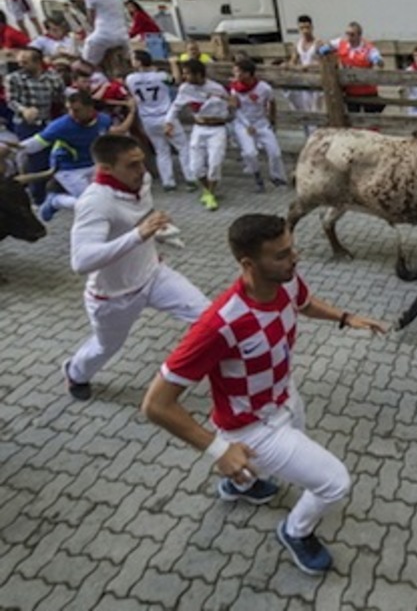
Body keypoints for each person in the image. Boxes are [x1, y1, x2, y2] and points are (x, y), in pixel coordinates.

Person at [141, 212, 387, 575]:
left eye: (292, 249)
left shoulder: (284, 280)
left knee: (288, 451)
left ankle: (241, 484)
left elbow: (304, 302)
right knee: (335, 483)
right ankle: (295, 531)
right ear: (248, 263)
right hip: (250, 428)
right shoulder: (219, 324)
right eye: (282, 255)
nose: (295, 259)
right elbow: (156, 405)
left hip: (285, 397)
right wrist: (218, 449)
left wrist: (345, 317)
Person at [64, 135, 209, 400]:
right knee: (105, 348)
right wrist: (138, 235)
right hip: (114, 296)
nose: (142, 170)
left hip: (154, 275)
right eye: (132, 165)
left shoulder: (142, 181)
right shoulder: (95, 201)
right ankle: (75, 373)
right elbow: (81, 261)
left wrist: (160, 231)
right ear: (106, 169)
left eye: (142, 161)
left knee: (209, 319)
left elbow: (143, 218)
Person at [19, 89, 136, 221]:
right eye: (69, 109)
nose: (72, 114)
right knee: (91, 202)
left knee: (110, 195)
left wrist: (132, 112)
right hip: (68, 168)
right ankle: (55, 201)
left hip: (92, 164)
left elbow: (115, 132)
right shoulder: (60, 125)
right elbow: (35, 144)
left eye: (76, 110)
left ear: (90, 108)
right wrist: (12, 148)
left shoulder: (103, 119)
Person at [125, 49, 195, 192]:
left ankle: (168, 182)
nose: (131, 62)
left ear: (139, 62)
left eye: (133, 59)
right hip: (166, 116)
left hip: (147, 118)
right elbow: (176, 80)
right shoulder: (161, 76)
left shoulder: (130, 79)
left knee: (161, 150)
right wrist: (173, 64)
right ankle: (190, 178)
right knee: (182, 147)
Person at [165, 59, 230, 211]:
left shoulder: (216, 88)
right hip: (199, 129)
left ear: (199, 74)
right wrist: (168, 122)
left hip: (217, 129)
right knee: (195, 167)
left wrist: (220, 117)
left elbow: (228, 109)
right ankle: (208, 190)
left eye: (187, 73)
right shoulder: (185, 89)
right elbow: (175, 107)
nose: (184, 76)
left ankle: (211, 194)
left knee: (215, 163)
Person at [5, 47, 65, 204]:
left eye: (25, 62)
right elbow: (11, 100)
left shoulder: (52, 78)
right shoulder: (14, 78)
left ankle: (52, 191)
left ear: (37, 62)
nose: (21, 65)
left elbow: (60, 98)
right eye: (20, 62)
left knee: (51, 156)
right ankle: (39, 197)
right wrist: (24, 110)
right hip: (26, 124)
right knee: (35, 159)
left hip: (48, 122)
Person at [230, 58, 286, 192]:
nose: (236, 75)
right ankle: (257, 177)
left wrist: (272, 121)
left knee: (275, 152)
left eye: (238, 72)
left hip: (261, 123)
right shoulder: (234, 89)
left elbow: (272, 103)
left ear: (248, 74)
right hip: (243, 124)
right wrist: (246, 125)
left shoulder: (264, 88)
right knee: (250, 153)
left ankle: (276, 176)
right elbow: (235, 109)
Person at [326, 21, 384, 113]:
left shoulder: (368, 48)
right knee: (353, 120)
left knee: (371, 121)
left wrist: (377, 60)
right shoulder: (341, 43)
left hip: (368, 92)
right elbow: (327, 45)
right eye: (347, 34)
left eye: (352, 35)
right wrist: (323, 48)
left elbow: (379, 61)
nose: (349, 37)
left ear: (359, 35)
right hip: (351, 92)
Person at [285, 15, 322, 137]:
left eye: (307, 27)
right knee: (302, 109)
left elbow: (324, 63)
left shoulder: (318, 43)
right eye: (302, 28)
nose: (305, 30)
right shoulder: (298, 44)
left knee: (315, 109)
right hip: (303, 81)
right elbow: (293, 60)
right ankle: (308, 136)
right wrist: (289, 66)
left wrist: (309, 66)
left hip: (315, 81)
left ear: (312, 27)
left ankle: (316, 136)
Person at [82, 0, 130, 67]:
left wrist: (91, 29)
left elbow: (91, 18)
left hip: (104, 35)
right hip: (123, 35)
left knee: (87, 62)